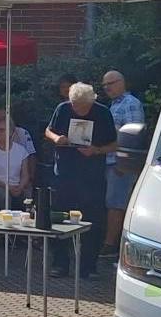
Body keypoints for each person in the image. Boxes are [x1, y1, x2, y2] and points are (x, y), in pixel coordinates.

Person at [44, 82, 116, 278]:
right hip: (65, 174)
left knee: (93, 222)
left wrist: (97, 150)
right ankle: (60, 264)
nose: (77, 109)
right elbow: (48, 131)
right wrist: (56, 138)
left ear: (91, 101)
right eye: (74, 104)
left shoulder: (103, 113)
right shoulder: (63, 109)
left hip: (92, 177)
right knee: (60, 219)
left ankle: (88, 267)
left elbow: (114, 144)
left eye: (82, 106)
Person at [100, 70, 147, 262]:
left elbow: (133, 136)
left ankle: (111, 246)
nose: (108, 87)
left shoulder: (131, 104)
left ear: (122, 82)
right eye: (104, 85)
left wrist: (123, 162)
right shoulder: (114, 105)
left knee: (116, 204)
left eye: (111, 83)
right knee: (111, 202)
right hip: (109, 160)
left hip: (119, 164)